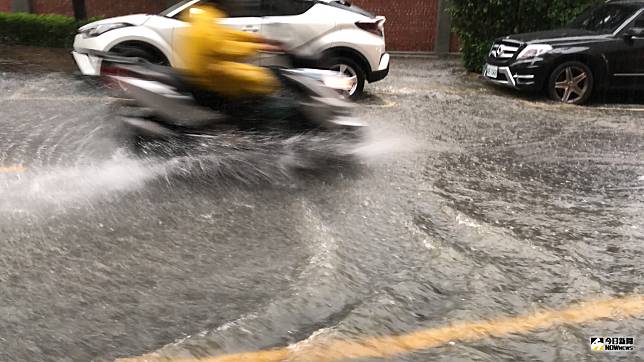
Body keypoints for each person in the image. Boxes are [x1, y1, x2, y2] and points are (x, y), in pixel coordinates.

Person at [177, 3, 280, 98]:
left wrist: (256, 39)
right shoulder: (204, 20)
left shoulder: (205, 16)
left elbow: (226, 34)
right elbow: (219, 46)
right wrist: (256, 47)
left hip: (213, 71)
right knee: (264, 82)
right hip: (212, 77)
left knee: (263, 76)